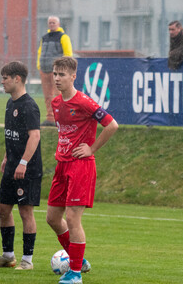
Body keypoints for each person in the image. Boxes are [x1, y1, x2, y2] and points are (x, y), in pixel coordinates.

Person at [46, 56, 118, 284]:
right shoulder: (56, 103)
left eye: (62, 74)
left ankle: (75, 273)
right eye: (55, 74)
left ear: (73, 76)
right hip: (62, 165)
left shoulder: (85, 102)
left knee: (72, 218)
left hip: (80, 167)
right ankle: (80, 260)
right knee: (52, 218)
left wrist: (92, 148)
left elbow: (112, 125)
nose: (57, 78)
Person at [0, 61, 42, 271]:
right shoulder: (11, 103)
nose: (2, 82)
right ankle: (8, 256)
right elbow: (12, 135)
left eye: (5, 78)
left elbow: (34, 136)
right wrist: (6, 157)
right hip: (12, 166)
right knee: (2, 209)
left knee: (25, 212)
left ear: (17, 78)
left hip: (27, 168)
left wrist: (23, 162)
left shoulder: (29, 105)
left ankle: (27, 260)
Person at [37, 16, 73, 127]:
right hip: (44, 69)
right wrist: (39, 65)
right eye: (50, 22)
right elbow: (40, 52)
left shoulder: (63, 37)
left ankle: (60, 118)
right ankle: (50, 118)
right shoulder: (45, 37)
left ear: (58, 24)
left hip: (56, 71)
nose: (51, 24)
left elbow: (68, 53)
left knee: (58, 95)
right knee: (47, 96)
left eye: (53, 22)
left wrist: (64, 69)